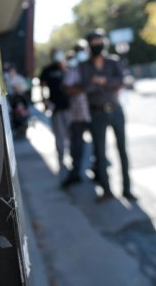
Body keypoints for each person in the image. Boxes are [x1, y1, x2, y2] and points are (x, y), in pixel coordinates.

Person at [76, 30, 134, 202]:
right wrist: (106, 84)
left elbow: (120, 82)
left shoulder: (113, 61)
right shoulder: (84, 66)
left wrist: (101, 82)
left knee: (122, 150)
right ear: (88, 46)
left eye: (99, 42)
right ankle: (106, 190)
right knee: (99, 152)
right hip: (97, 111)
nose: (97, 45)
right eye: (93, 43)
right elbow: (85, 87)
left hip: (115, 110)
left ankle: (127, 189)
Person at [61, 41, 92, 187]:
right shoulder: (72, 69)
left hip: (93, 111)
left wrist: (83, 87)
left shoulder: (92, 67)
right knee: (76, 145)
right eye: (78, 50)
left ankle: (99, 171)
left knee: (98, 144)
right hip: (77, 114)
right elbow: (68, 88)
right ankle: (76, 173)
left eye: (83, 50)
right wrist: (85, 87)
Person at [40, 49, 71, 173]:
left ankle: (74, 157)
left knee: (71, 134)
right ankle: (61, 158)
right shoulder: (47, 70)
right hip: (56, 108)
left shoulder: (67, 67)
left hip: (70, 107)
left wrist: (64, 68)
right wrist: (45, 102)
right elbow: (42, 86)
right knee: (59, 135)